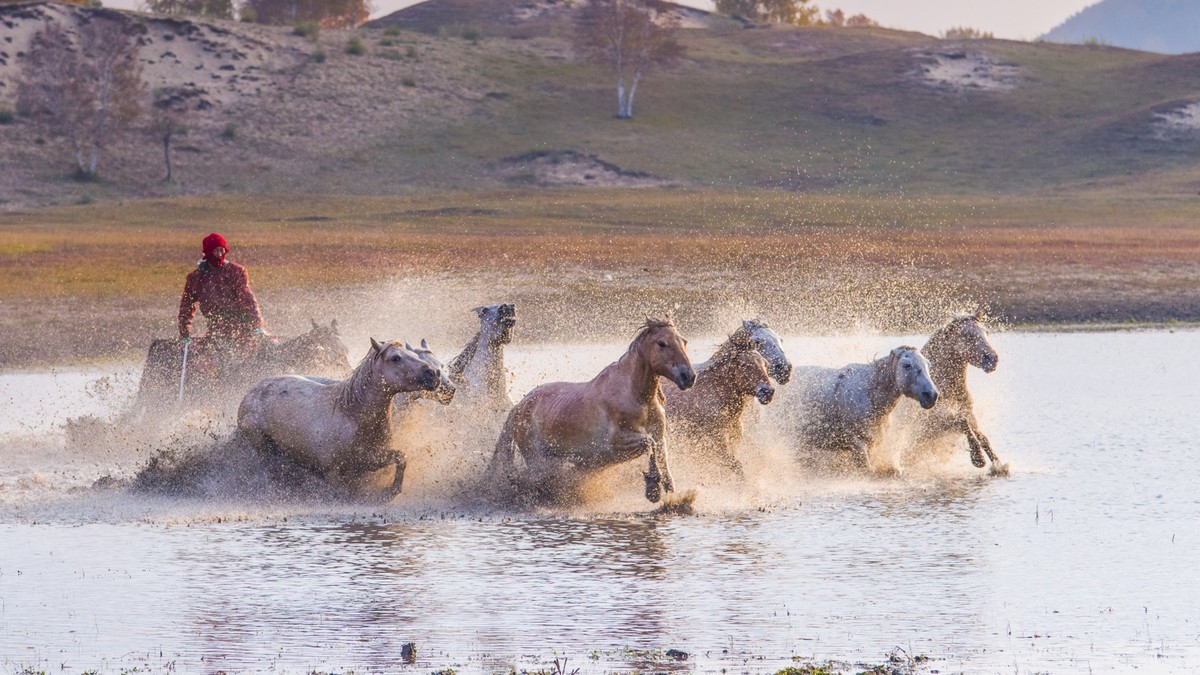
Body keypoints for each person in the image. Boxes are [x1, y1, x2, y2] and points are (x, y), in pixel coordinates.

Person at [178, 232, 267, 351]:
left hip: (242, 326)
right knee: (205, 354)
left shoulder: (235, 272)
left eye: (222, 250)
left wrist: (257, 324)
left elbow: (247, 299)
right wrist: (185, 333)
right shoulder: (195, 278)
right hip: (216, 328)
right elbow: (186, 307)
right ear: (208, 253)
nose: (219, 255)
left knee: (259, 348)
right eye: (215, 251)